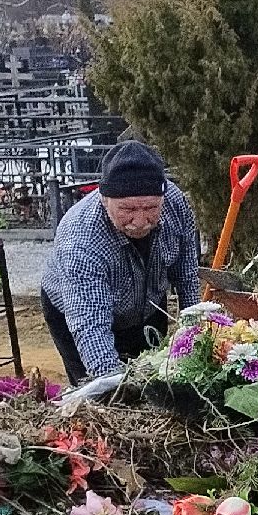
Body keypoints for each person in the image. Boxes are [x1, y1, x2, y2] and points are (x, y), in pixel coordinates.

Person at [40, 140, 201, 383]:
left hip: (148, 305)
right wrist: (115, 386)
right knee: (103, 398)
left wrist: (194, 332)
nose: (140, 221)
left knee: (159, 381)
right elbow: (90, 326)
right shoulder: (81, 239)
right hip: (80, 314)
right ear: (104, 200)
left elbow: (187, 274)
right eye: (127, 209)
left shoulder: (175, 203)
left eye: (150, 208)